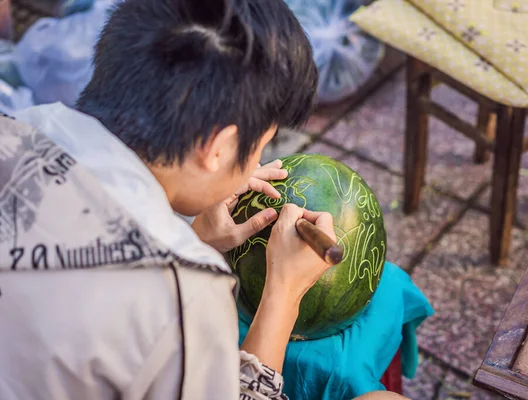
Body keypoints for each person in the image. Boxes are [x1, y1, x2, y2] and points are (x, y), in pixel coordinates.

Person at [0, 0, 410, 398]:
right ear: (218, 148)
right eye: (260, 147)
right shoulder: (184, 294)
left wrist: (196, 239)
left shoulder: (15, 128)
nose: (255, 163)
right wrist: (282, 293)